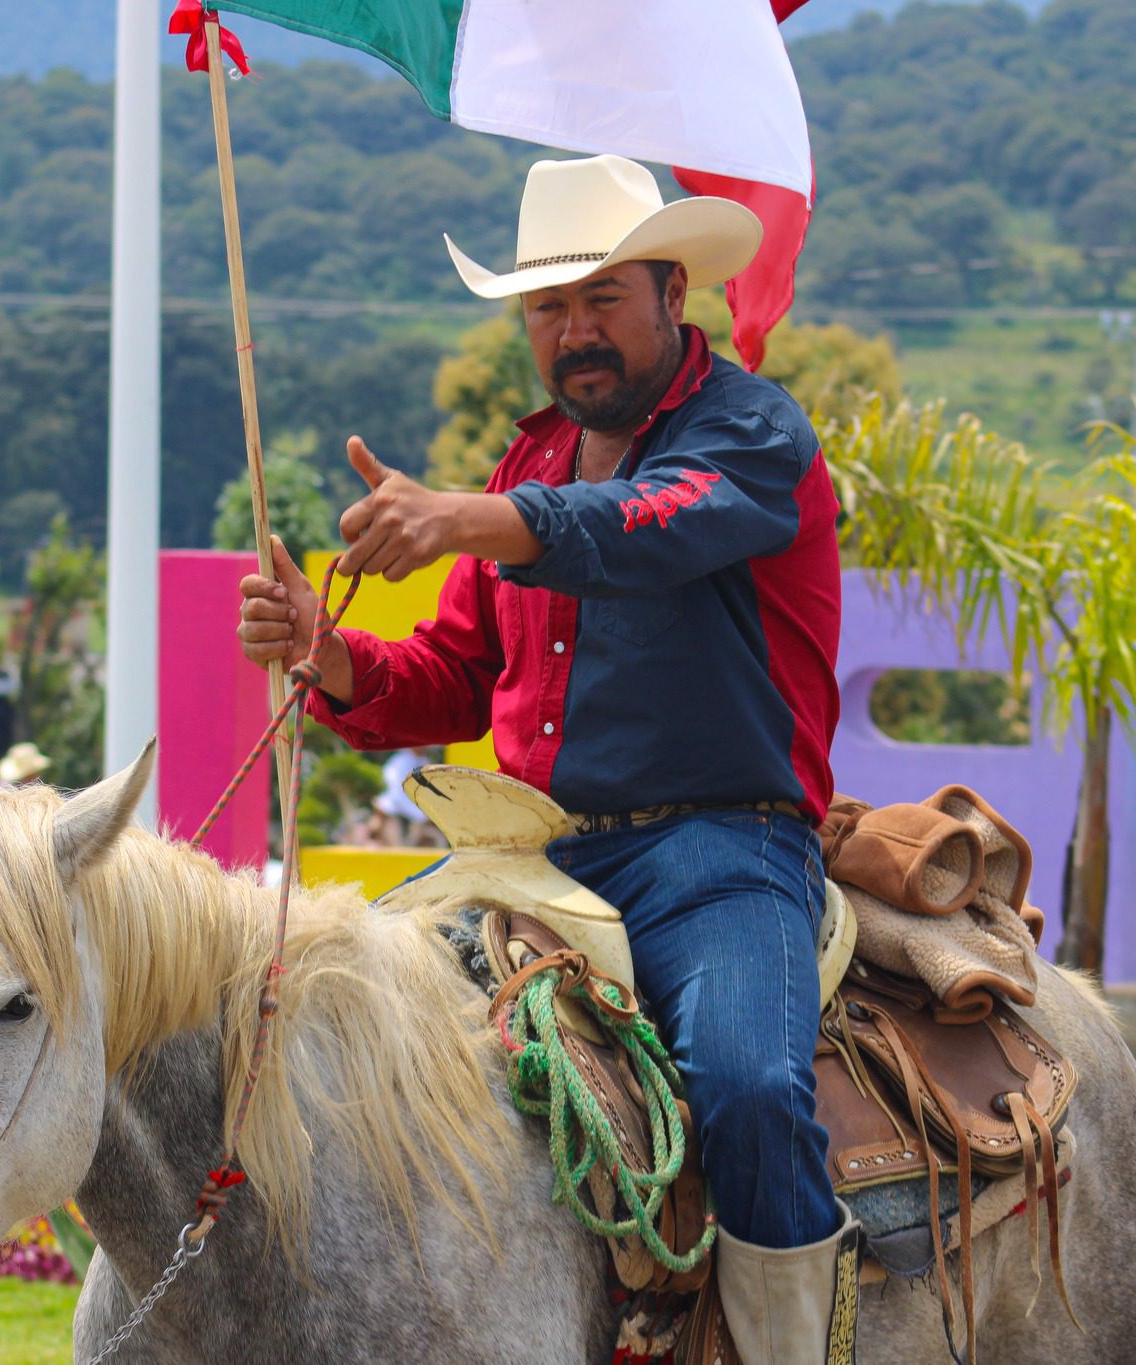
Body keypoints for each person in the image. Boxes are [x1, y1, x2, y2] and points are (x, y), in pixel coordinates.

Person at [236, 154, 853, 1362]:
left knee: (750, 1089)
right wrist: (330, 655)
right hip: (523, 856)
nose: (572, 331)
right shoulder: (529, 466)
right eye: (546, 306)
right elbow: (457, 675)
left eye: (601, 298)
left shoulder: (749, 432)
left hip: (722, 855)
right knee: (315, 1020)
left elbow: (650, 528)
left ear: (674, 293)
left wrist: (463, 518)